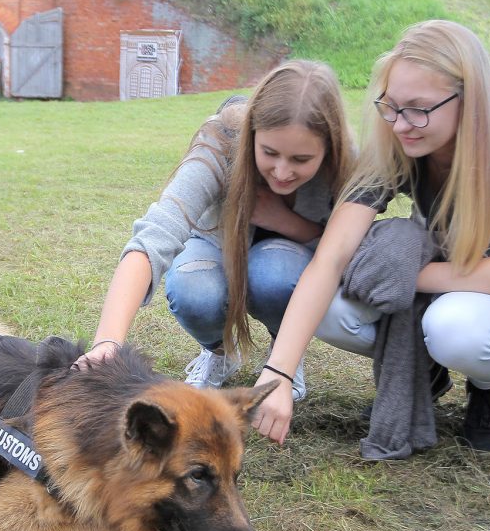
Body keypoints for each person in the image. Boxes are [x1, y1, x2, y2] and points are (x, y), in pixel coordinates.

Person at [252, 20, 490, 454]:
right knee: (321, 303)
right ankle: (425, 373)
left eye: (419, 109)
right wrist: (279, 372)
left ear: (467, 98)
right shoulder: (397, 141)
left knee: (455, 328)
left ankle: (489, 384)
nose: (401, 125)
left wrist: (411, 276)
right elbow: (331, 257)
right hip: (444, 282)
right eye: (392, 107)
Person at [73, 60, 356, 402]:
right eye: (269, 152)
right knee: (193, 289)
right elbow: (155, 236)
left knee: (275, 276)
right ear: (251, 132)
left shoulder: (347, 163)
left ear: (329, 148)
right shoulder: (221, 142)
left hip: (292, 258)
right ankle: (220, 352)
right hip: (213, 244)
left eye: (300, 160)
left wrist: (284, 222)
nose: (282, 172)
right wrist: (107, 342)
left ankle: (285, 353)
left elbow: (345, 249)